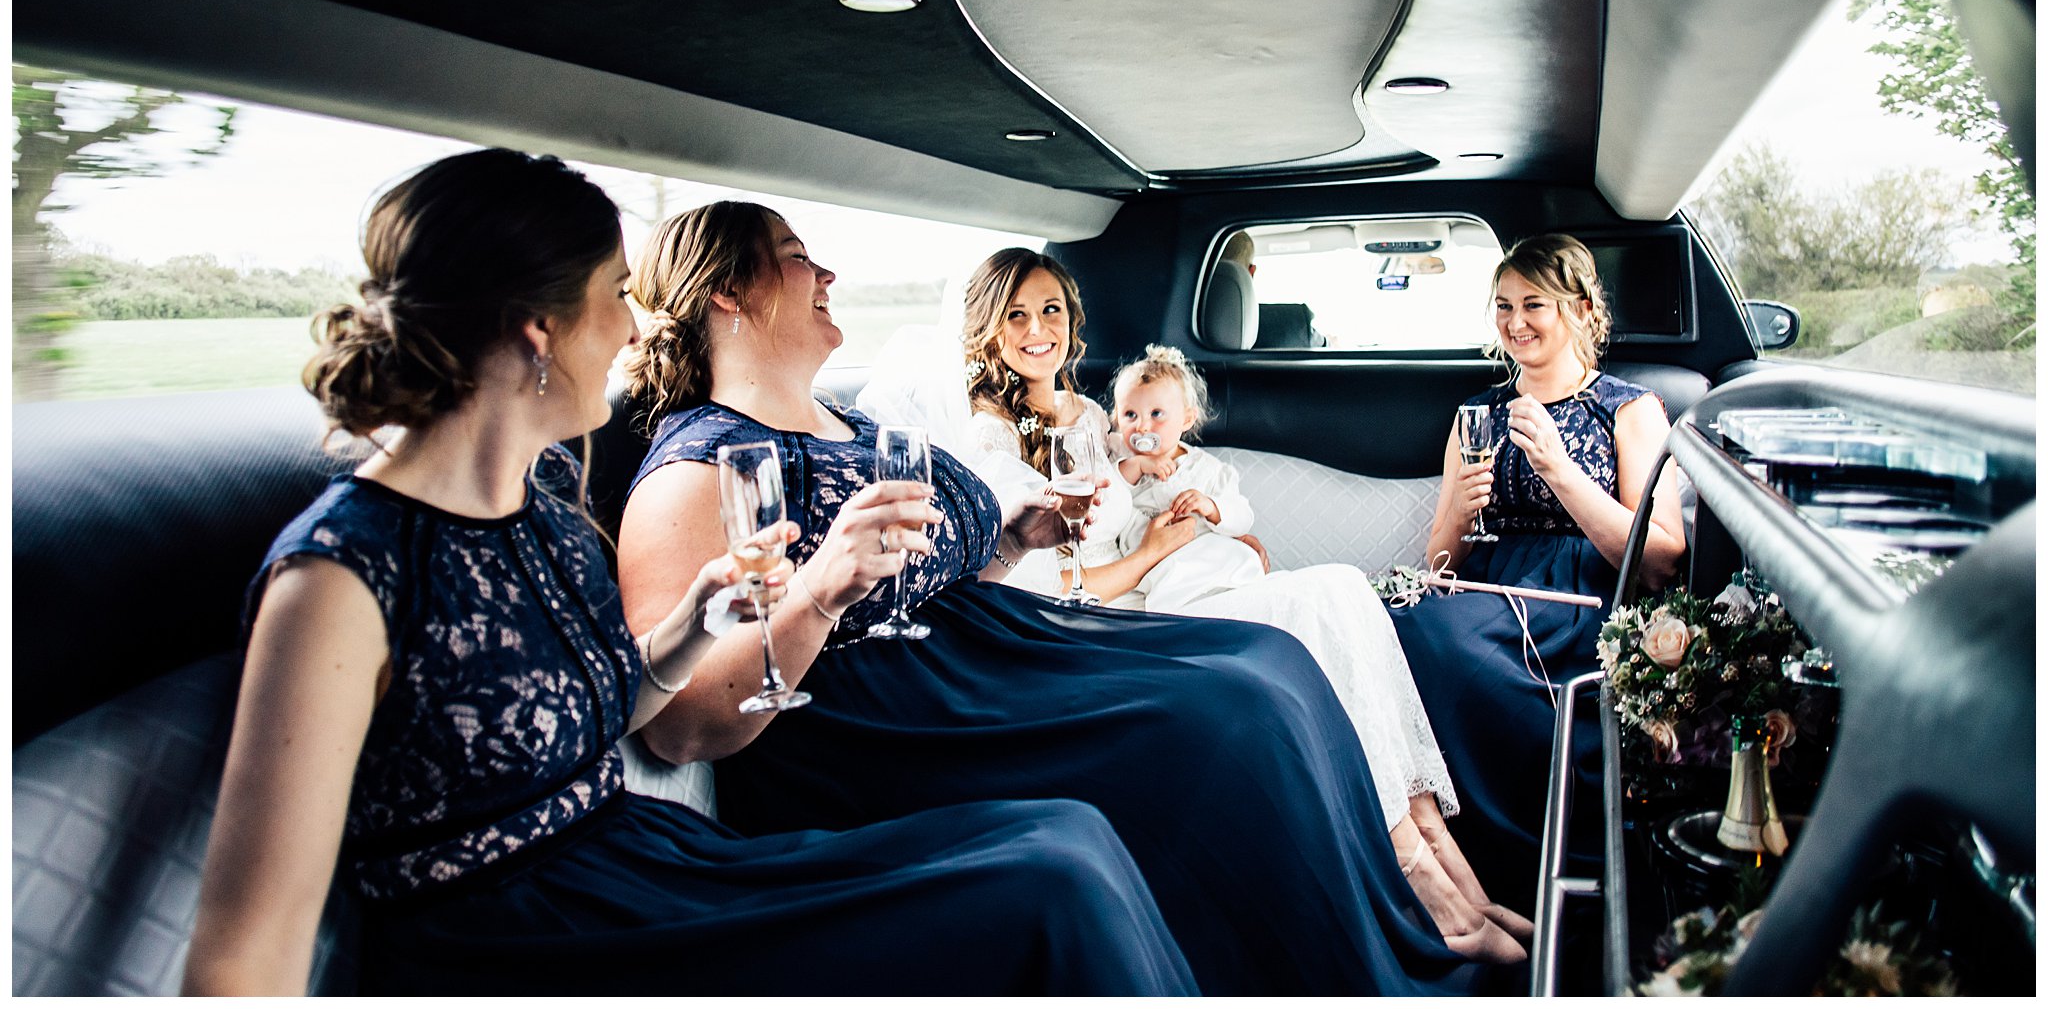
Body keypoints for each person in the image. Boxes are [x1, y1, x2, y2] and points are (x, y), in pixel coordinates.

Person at [183, 151, 1196, 996]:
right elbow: (243, 953)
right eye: (611, 298)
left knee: (1062, 838)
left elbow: (615, 704)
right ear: (538, 332)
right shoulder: (340, 576)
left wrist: (699, 619)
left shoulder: (538, 507)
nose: (633, 329)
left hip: (641, 860)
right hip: (528, 943)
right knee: (1045, 881)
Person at [617, 204, 1490, 994]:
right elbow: (678, 723)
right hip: (892, 716)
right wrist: (815, 591)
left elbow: (926, 570)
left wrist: (1008, 540)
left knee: (1273, 663)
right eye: (797, 255)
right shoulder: (701, 465)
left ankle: (1392, 926)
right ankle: (1344, 969)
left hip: (993, 643)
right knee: (1231, 716)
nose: (828, 274)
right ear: (729, 293)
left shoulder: (855, 429)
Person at [961, 269, 1528, 963]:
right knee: (1320, 600)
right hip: (1121, 619)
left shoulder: (1094, 418)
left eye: (1051, 310)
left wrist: (1226, 534)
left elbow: (1175, 481)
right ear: (990, 328)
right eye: (1016, 316)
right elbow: (1053, 588)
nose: (1038, 330)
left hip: (1180, 585)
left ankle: (1447, 861)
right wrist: (1157, 550)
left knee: (1346, 591)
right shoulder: (989, 443)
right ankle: (1421, 883)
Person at [1389, 232, 1686, 914]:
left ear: (1581, 308)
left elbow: (1660, 556)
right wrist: (1460, 513)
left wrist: (1558, 467)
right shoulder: (1476, 413)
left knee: (1444, 641)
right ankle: (1442, 869)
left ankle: (1521, 868)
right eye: (1502, 306)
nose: (1515, 322)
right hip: (1481, 590)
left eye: (1534, 304)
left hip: (1576, 599)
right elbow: (1441, 558)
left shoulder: (1630, 408)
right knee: (1405, 627)